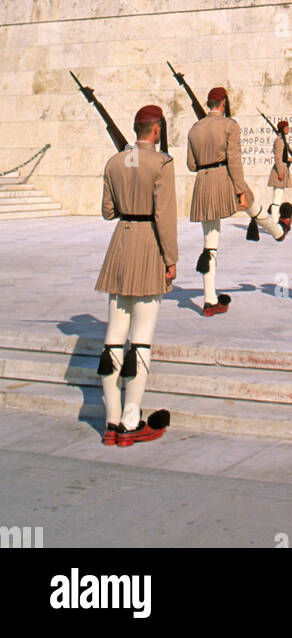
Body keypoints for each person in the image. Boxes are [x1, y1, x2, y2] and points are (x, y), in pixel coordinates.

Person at [95, 104, 176, 446]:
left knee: (114, 337)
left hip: (121, 244)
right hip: (148, 246)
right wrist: (170, 258)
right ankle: (131, 421)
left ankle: (111, 422)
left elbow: (107, 211)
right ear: (156, 131)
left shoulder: (114, 162)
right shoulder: (162, 164)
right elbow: (165, 216)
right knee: (141, 337)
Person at [188, 86, 285, 316]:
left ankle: (210, 300)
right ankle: (277, 230)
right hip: (224, 178)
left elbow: (191, 165)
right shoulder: (230, 125)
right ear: (223, 103)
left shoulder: (194, 128)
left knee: (210, 243)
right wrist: (239, 188)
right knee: (248, 200)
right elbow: (234, 160)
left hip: (203, 183)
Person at [265, 119, 292, 233]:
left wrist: (290, 159)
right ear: (283, 129)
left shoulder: (282, 140)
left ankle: (272, 221)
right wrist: (280, 172)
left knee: (278, 197)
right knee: (277, 199)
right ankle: (273, 225)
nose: (288, 129)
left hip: (283, 168)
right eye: (287, 127)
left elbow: (282, 156)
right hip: (280, 170)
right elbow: (277, 158)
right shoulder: (279, 141)